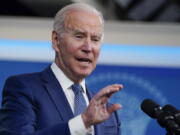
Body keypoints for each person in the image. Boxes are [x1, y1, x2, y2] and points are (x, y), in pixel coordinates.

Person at [0, 3, 123, 135]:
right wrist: (82, 122)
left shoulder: (108, 113)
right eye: (79, 36)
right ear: (56, 40)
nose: (88, 47)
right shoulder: (24, 89)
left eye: (95, 39)